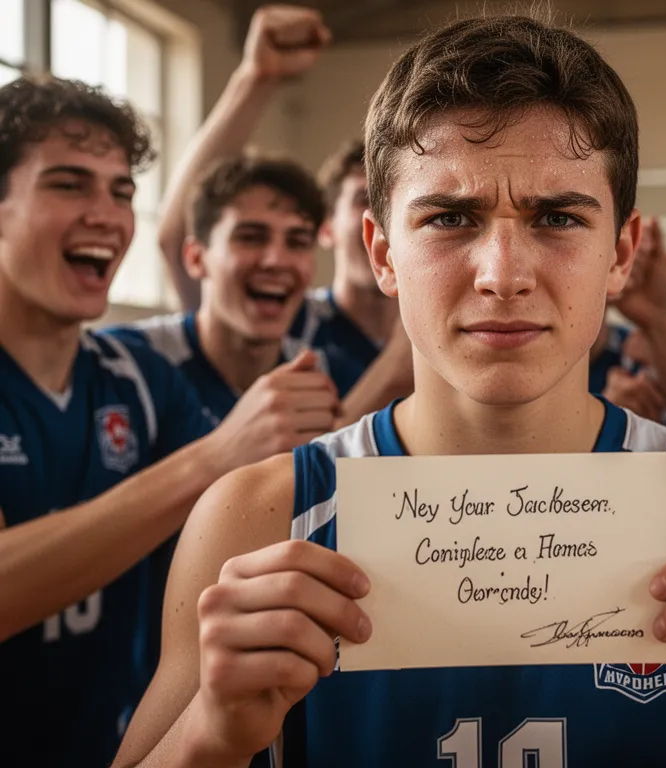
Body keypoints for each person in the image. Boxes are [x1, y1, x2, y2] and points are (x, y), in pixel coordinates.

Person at [113, 14, 666, 768]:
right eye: (450, 217)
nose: (503, 275)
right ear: (382, 253)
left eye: (557, 217)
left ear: (623, 252)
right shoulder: (255, 517)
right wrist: (207, 737)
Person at [0, 76, 337, 767]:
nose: (106, 214)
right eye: (69, 185)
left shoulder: (136, 377)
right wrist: (213, 457)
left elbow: (262, 503)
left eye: (120, 192)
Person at [157, 5, 413, 421]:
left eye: (399, 200)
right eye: (365, 198)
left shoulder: (448, 324)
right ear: (325, 229)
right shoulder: (284, 320)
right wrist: (255, 80)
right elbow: (185, 230)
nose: (383, 216)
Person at [105, 155, 346, 423]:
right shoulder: (128, 363)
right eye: (250, 238)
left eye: (298, 242)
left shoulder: (330, 373)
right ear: (195, 258)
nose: (276, 260)